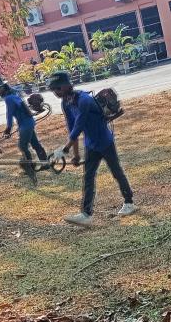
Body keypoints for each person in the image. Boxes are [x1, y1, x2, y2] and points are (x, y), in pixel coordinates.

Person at [47, 71, 137, 227]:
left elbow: (79, 126)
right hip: (91, 145)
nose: (56, 92)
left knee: (116, 171)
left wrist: (64, 150)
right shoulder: (66, 103)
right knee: (88, 177)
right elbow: (72, 128)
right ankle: (86, 214)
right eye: (53, 89)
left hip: (105, 141)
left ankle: (129, 202)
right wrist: (76, 155)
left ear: (67, 85)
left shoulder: (84, 100)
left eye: (58, 88)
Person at [0, 75, 47, 180]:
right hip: (27, 122)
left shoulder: (9, 98)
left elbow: (9, 114)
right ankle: (45, 163)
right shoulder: (13, 94)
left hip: (25, 124)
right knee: (35, 143)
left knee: (23, 146)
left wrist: (8, 128)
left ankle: (31, 167)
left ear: (3, 87)